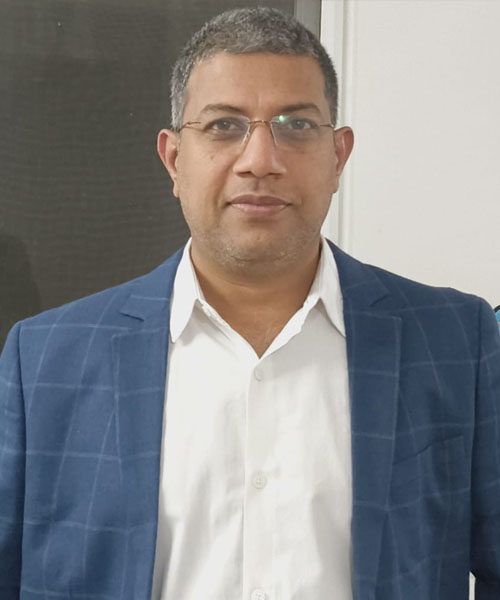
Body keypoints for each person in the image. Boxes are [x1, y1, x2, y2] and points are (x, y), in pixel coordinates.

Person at [0, 7, 499, 600]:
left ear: (338, 156)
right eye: (223, 125)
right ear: (174, 159)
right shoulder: (44, 362)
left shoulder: (456, 343)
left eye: (296, 125)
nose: (260, 160)